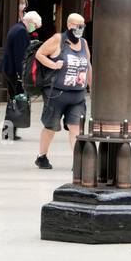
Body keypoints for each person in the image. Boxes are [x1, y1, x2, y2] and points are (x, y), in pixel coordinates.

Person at [34, 13, 91, 170]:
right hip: (57, 94)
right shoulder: (58, 39)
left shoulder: (84, 43)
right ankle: (42, 156)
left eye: (83, 26)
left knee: (76, 128)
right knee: (51, 127)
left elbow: (88, 66)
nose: (80, 29)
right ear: (69, 26)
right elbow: (39, 54)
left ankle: (77, 161)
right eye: (78, 26)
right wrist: (54, 65)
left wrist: (91, 86)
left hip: (78, 95)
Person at [0, 9, 41, 140]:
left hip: (8, 69)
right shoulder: (21, 32)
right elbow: (20, 56)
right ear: (30, 21)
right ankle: (8, 132)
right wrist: (22, 75)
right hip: (13, 71)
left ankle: (9, 131)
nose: (34, 29)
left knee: (14, 101)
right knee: (15, 101)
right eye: (35, 25)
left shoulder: (16, 27)